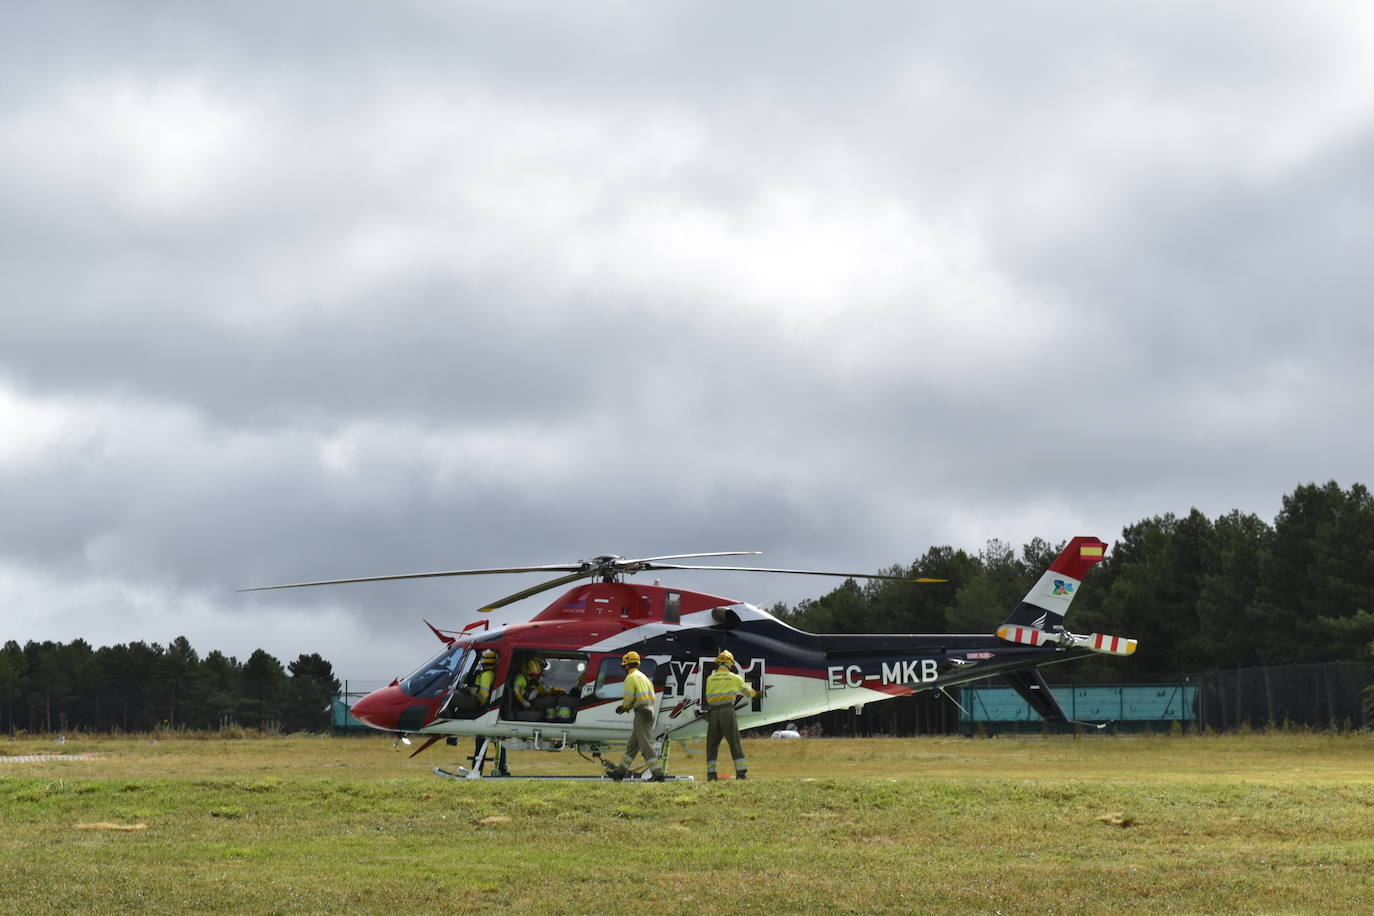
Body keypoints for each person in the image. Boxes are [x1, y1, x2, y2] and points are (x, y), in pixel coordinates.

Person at [704, 649, 761, 781]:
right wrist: (758, 694)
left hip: (713, 713)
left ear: (719, 663)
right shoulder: (734, 678)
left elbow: (708, 696)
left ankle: (711, 775)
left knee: (712, 745)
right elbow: (748, 692)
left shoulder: (710, 678)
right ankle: (741, 773)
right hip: (727, 712)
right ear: (729, 663)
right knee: (734, 742)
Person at [609, 651, 665, 781]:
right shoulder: (643, 677)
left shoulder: (630, 677)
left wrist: (625, 707)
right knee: (633, 746)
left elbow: (629, 697)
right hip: (649, 711)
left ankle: (658, 773)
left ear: (626, 665)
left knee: (645, 744)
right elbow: (650, 696)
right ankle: (619, 773)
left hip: (641, 713)